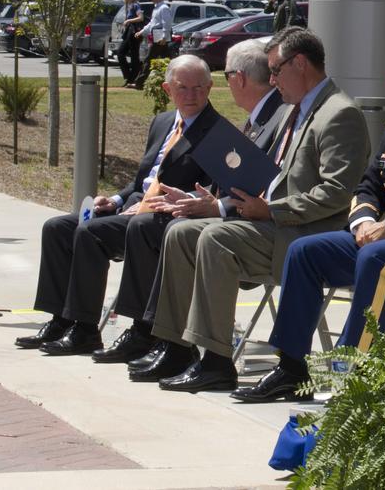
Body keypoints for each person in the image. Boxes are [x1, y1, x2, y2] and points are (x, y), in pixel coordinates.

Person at [231, 39, 385, 402]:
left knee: (376, 260)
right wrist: (363, 223)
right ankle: (291, 369)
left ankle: (353, 376)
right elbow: (368, 187)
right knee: (305, 252)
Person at [141, 27, 370, 393]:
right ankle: (177, 347)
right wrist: (225, 202)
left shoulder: (339, 114)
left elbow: (337, 194)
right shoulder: (298, 109)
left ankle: (216, 362)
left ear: (300, 64)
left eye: (276, 70)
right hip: (270, 225)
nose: (272, 80)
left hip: (305, 235)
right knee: (182, 232)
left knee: (217, 239)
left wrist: (271, 211)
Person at [14, 56, 224, 356]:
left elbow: (211, 193)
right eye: (183, 88)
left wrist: (161, 204)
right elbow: (144, 179)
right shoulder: (163, 121)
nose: (191, 95)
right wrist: (114, 199)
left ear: (210, 88)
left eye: (199, 88)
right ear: (167, 89)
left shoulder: (217, 131)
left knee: (90, 233)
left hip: (166, 213)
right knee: (58, 228)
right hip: (133, 206)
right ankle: (61, 319)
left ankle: (89, 329)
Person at [122, 40, 290, 375]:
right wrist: (207, 204)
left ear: (237, 79)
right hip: (237, 218)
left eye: (223, 76)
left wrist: (215, 207)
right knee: (177, 230)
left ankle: (199, 352)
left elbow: (267, 188)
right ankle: (174, 345)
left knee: (179, 232)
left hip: (270, 230)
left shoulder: (277, 117)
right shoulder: (259, 119)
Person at [134, 0, 173, 89]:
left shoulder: (163, 8)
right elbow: (152, 24)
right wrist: (142, 32)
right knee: (167, 60)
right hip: (157, 35)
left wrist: (164, 37)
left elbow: (166, 23)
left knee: (149, 59)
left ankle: (139, 83)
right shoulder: (157, 8)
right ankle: (171, 80)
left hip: (160, 37)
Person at [118, 0, 145, 86]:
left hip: (133, 33)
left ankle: (132, 78)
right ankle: (129, 76)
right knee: (121, 53)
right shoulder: (127, 6)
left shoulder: (135, 5)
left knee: (134, 56)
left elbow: (141, 17)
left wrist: (129, 21)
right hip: (128, 32)